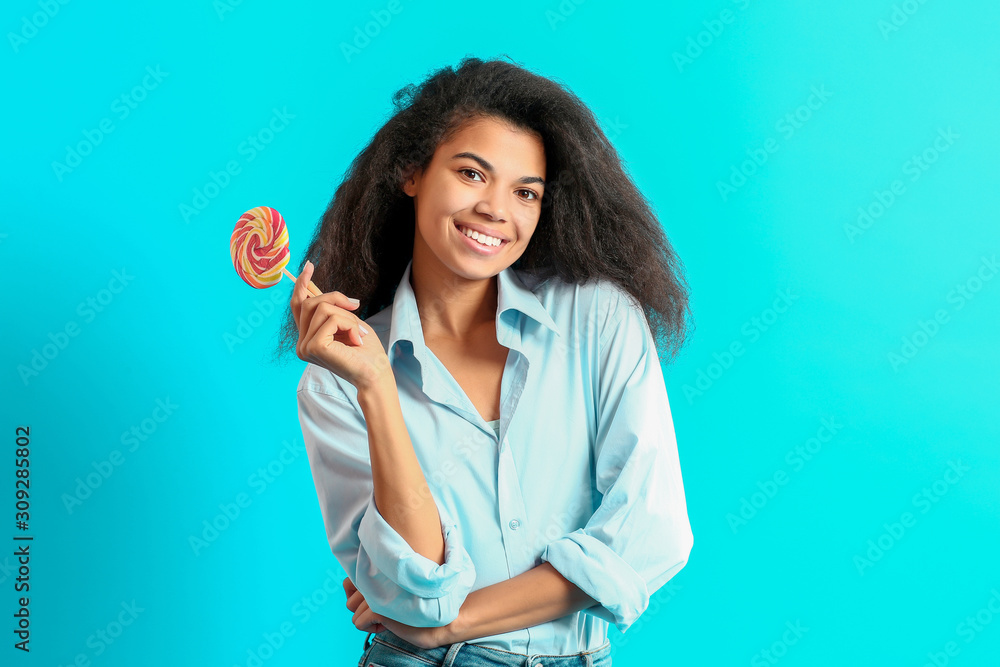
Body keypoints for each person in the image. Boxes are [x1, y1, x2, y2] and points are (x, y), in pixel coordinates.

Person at [281, 56, 695, 666]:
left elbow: (651, 536)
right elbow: (415, 590)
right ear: (412, 173)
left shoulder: (598, 319)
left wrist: (454, 622)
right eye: (472, 174)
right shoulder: (337, 380)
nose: (497, 210)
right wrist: (374, 386)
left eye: (525, 191)